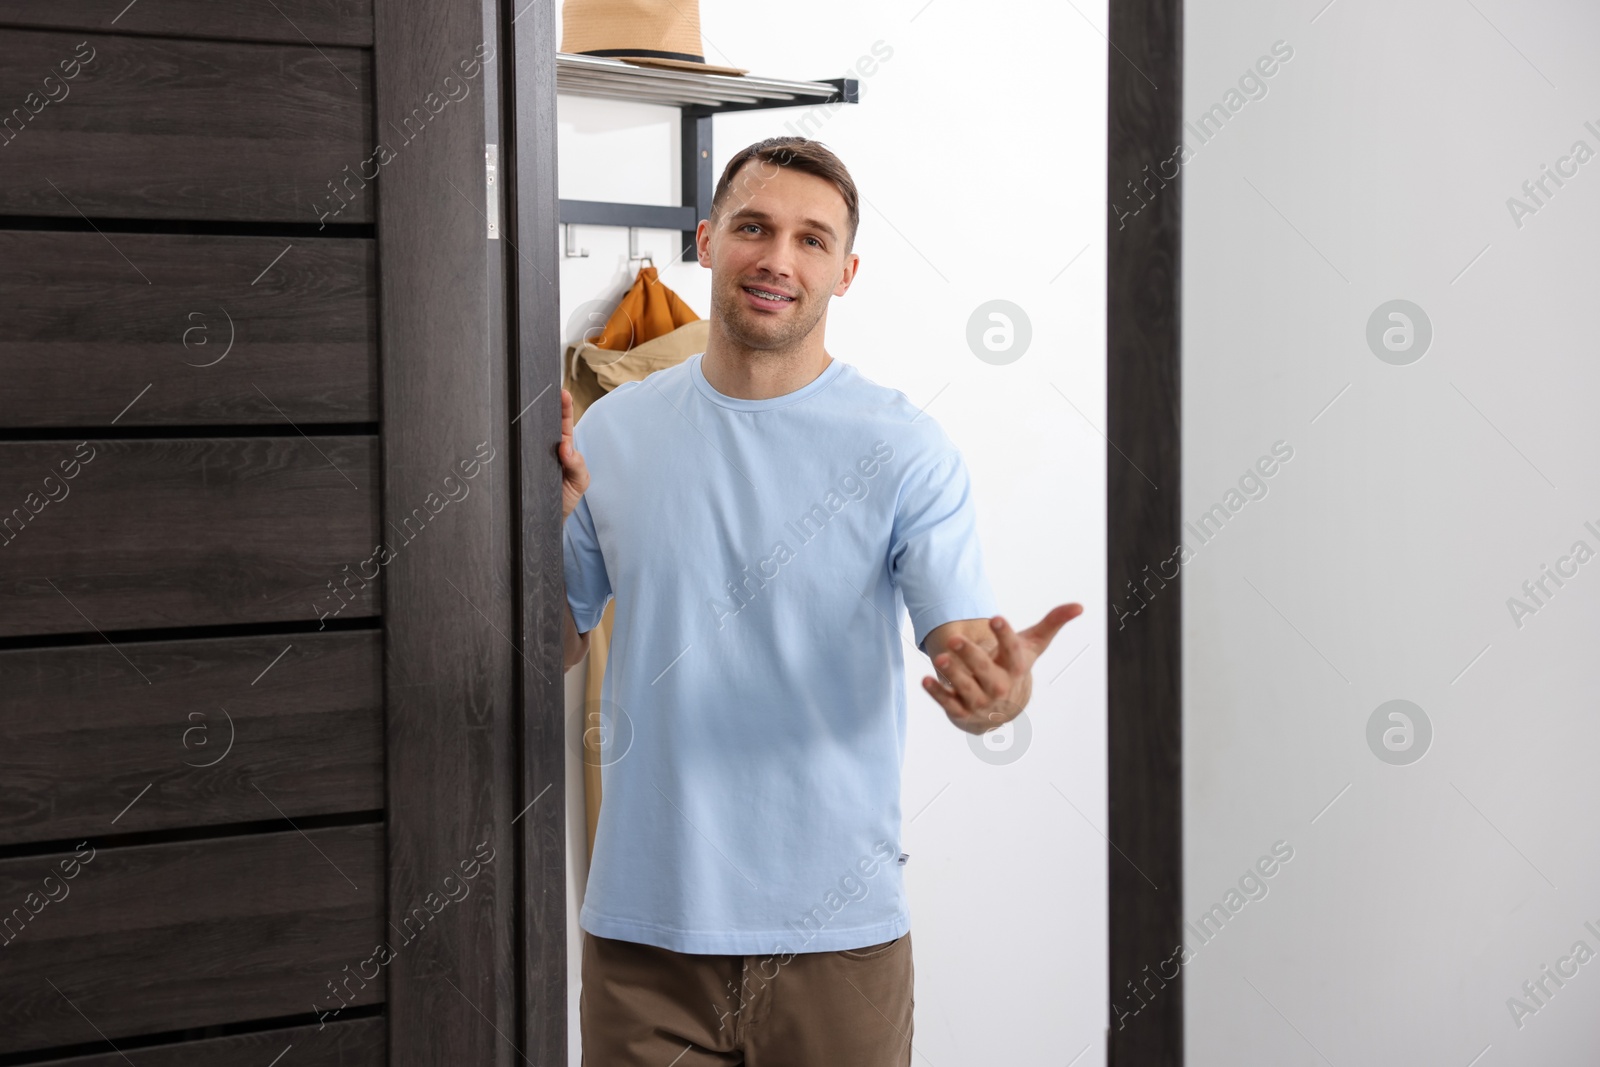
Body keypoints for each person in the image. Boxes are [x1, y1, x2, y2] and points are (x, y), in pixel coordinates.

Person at [559, 135, 1081, 1065]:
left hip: (837, 940)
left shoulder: (903, 447)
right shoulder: (614, 430)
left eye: (811, 239)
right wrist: (533, 533)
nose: (776, 259)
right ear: (708, 238)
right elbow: (549, 641)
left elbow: (963, 647)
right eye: (754, 228)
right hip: (645, 936)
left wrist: (997, 693)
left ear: (846, 271)